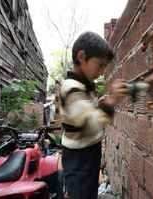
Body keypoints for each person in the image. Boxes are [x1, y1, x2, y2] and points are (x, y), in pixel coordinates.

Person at [58, 31, 128, 199]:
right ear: (82, 57)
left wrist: (101, 102)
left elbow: (88, 110)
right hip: (79, 157)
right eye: (100, 65)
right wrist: (111, 101)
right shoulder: (71, 88)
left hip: (87, 151)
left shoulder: (83, 85)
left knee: (89, 192)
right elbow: (91, 124)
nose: (102, 71)